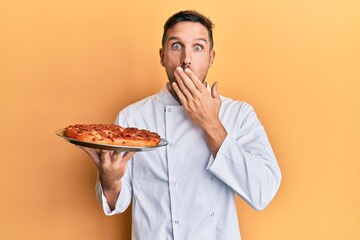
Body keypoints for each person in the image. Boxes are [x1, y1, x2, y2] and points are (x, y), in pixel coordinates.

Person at [82, 10, 281, 240]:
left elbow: (263, 192)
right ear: (162, 55)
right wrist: (110, 180)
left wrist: (211, 125)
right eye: (176, 46)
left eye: (198, 47)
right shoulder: (132, 118)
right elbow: (119, 200)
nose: (186, 59)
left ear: (211, 57)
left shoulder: (239, 114)